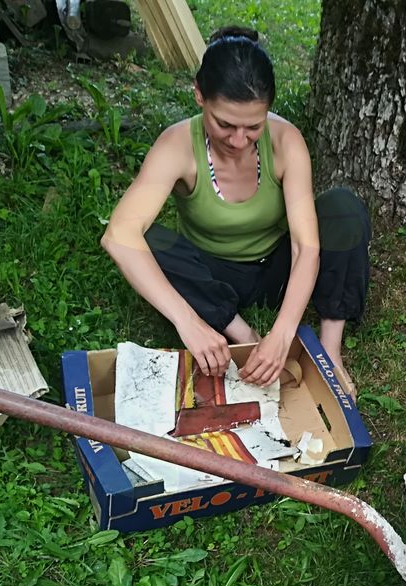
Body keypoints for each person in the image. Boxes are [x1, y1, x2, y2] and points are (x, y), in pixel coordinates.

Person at [101, 26, 370, 392]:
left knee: (343, 208)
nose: (239, 141)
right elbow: (119, 234)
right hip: (213, 276)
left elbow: (304, 246)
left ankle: (329, 351)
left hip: (277, 270)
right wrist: (188, 322)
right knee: (145, 239)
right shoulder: (176, 145)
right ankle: (240, 331)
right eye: (225, 124)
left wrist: (283, 333)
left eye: (253, 127)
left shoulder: (286, 141)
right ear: (199, 96)